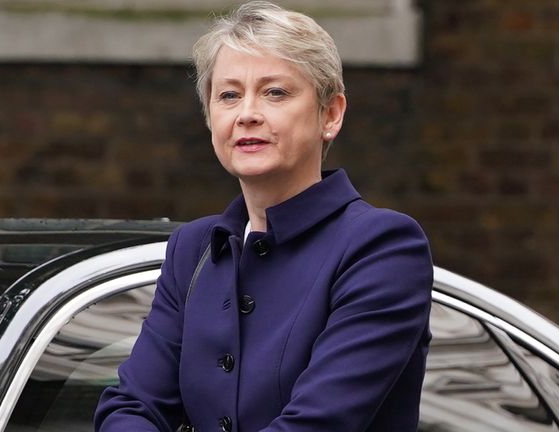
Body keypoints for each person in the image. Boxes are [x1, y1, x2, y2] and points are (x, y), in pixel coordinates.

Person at [94, 2, 433, 431]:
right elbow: (130, 407)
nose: (247, 114)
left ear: (330, 114)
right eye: (229, 95)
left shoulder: (381, 247)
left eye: (275, 92)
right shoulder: (193, 249)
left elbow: (317, 423)